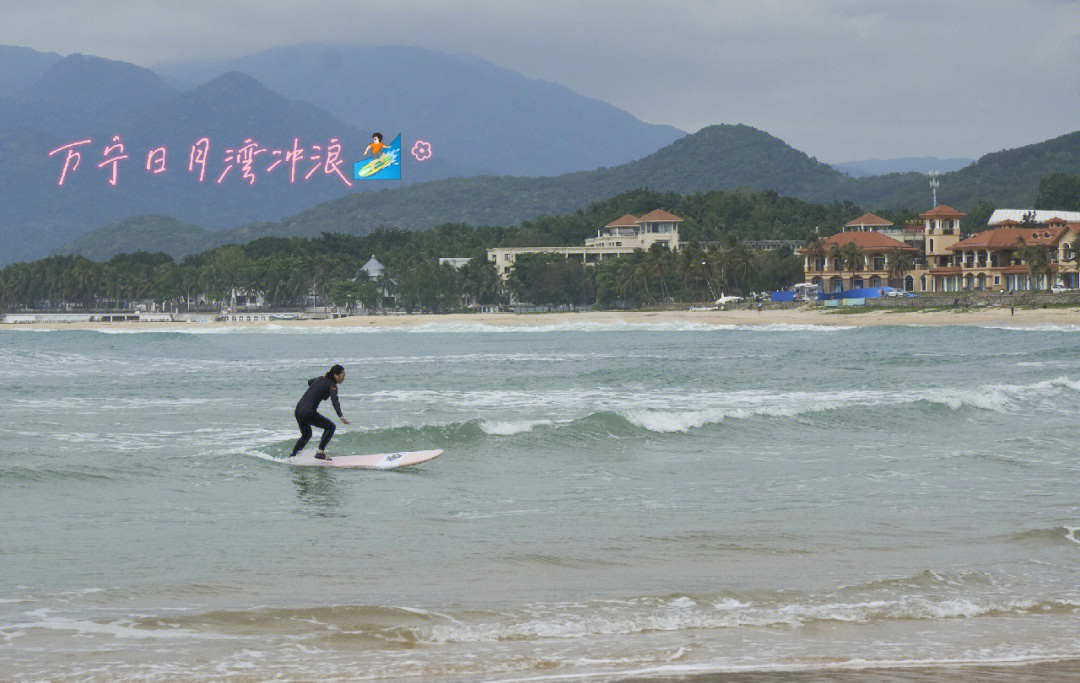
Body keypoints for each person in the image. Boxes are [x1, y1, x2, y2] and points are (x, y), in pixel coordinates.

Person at [289, 364, 351, 460]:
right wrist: (340, 415)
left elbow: (310, 382)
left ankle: (293, 456)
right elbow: (335, 400)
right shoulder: (332, 385)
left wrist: (320, 378)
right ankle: (320, 452)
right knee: (331, 427)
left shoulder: (321, 379)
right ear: (336, 375)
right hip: (308, 412)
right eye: (343, 375)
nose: (344, 378)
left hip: (298, 410)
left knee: (306, 434)